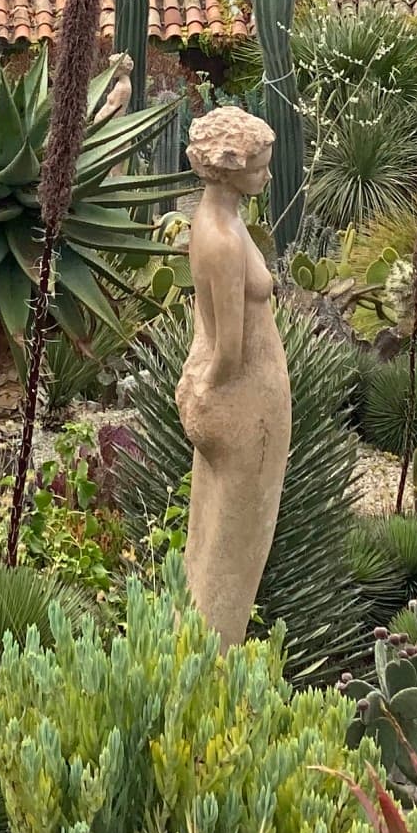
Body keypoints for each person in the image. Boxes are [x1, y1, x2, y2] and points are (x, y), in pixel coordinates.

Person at [177, 106, 290, 644]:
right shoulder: (220, 239)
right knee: (233, 553)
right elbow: (229, 350)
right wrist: (207, 389)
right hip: (244, 403)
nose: (267, 176)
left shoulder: (221, 218)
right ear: (229, 168)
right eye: (260, 168)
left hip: (241, 398)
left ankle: (193, 661)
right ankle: (211, 674)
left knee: (214, 540)